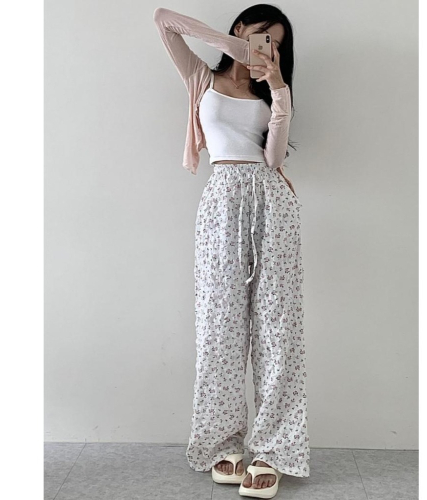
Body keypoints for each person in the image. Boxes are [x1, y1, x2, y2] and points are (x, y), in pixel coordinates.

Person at [153, 5, 310, 498]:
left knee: (278, 330)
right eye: (262, 35)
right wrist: (235, 48)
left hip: (272, 202)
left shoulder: (270, 91)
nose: (268, 47)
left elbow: (274, 157)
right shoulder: (201, 77)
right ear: (241, 28)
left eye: (277, 42)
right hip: (221, 202)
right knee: (219, 327)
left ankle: (272, 450)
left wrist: (279, 88)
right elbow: (163, 20)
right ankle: (223, 440)